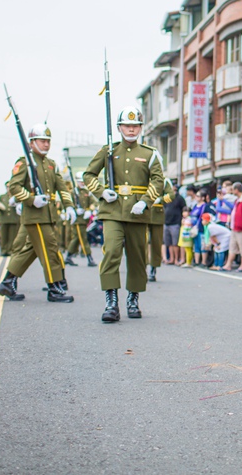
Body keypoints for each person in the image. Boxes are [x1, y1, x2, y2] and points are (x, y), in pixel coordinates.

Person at [83, 106, 165, 322]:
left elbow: (158, 181)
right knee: (111, 252)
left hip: (137, 212)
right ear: (119, 128)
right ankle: (111, 301)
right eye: (127, 126)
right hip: (112, 210)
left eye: (135, 126)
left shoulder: (150, 153)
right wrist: (102, 192)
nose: (131, 129)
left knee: (137, 257)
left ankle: (133, 299)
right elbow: (88, 175)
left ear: (140, 128)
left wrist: (146, 202)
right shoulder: (108, 151)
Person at [0, 124, 76, 304]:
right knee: (50, 250)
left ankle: (8, 282)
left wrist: (69, 205)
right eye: (42, 141)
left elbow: (61, 188)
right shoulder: (24, 163)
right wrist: (31, 200)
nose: (46, 144)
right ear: (31, 143)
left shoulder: (50, 164)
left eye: (48, 141)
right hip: (35, 216)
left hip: (48, 216)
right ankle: (54, 288)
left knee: (30, 250)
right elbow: (14, 186)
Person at [226, 182, 242, 272]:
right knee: (232, 247)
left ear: (236, 190)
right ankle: (228, 264)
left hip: (241, 227)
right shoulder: (237, 200)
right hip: (234, 227)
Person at [163, 181, 186, 266]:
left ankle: (176, 259)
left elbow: (184, 208)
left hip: (175, 222)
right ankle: (171, 258)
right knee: (168, 243)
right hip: (167, 222)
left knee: (175, 243)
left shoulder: (180, 198)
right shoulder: (167, 197)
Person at [0, 190, 19, 257]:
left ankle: (10, 250)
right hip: (4, 219)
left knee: (12, 236)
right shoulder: (2, 196)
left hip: (13, 218)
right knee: (3, 236)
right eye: (7, 187)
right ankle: (3, 250)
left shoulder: (15, 196)